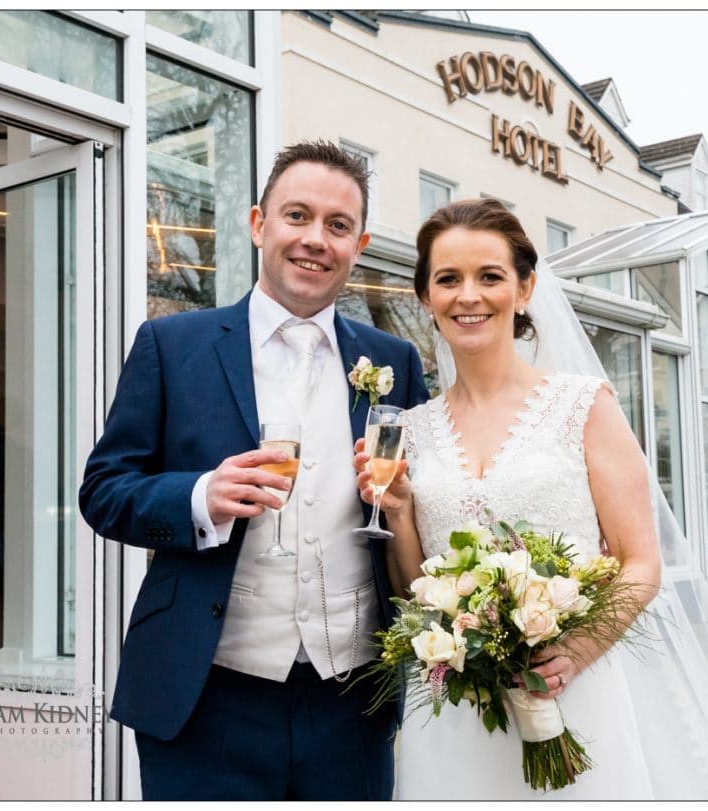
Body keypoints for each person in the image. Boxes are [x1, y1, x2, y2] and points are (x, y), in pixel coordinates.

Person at [353, 198, 708, 800]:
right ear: (426, 298)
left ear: (525, 289)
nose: (469, 295)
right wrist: (402, 512)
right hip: (454, 707)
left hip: (577, 689)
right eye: (448, 279)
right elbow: (416, 590)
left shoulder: (584, 405)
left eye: (490, 276)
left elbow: (640, 560)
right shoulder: (410, 428)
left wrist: (574, 652)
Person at [79, 140, 429, 800]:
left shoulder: (396, 361)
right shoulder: (171, 345)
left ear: (359, 243)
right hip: (204, 697)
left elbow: (416, 504)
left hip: (353, 703)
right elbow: (103, 490)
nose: (314, 239)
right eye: (296, 216)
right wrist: (200, 496)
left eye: (337, 225)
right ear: (257, 224)